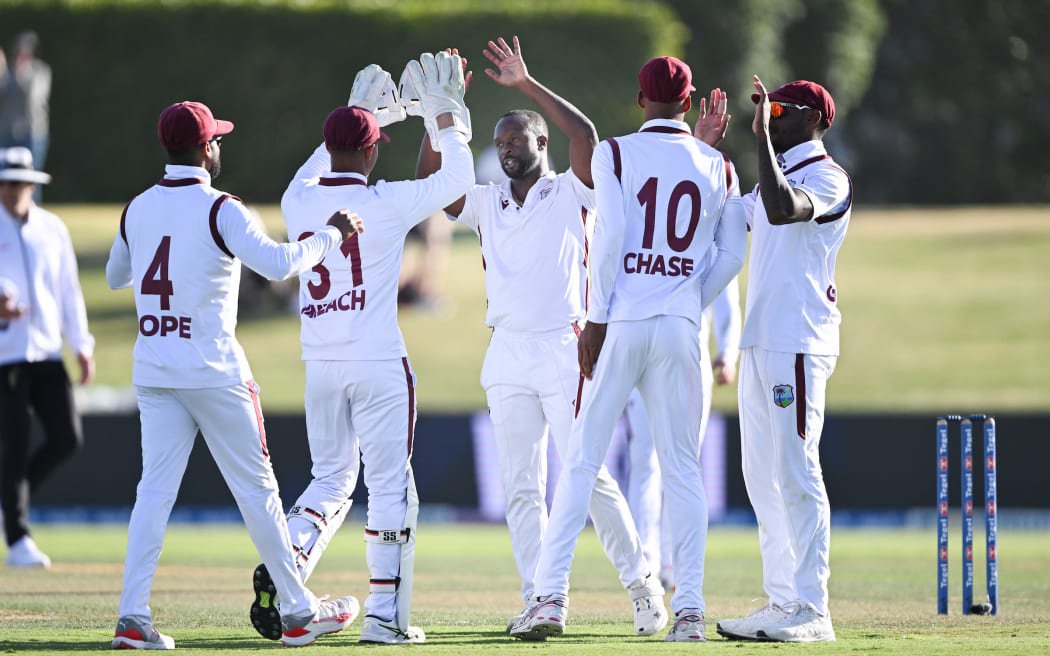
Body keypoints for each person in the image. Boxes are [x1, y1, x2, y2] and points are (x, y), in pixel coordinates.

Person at [418, 36, 671, 638]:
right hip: (505, 350)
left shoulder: (573, 191)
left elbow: (585, 133)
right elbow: (430, 186)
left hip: (565, 347)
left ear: (540, 143)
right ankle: (541, 600)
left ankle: (642, 586)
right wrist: (437, 116)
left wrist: (525, 84)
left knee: (590, 477)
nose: (506, 149)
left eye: (516, 140)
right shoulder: (486, 200)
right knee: (521, 488)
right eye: (499, 142)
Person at [105, 100, 361, 650]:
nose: (219, 145)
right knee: (258, 491)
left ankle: (132, 616)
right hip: (213, 370)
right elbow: (277, 266)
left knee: (153, 494)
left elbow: (114, 276)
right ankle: (297, 613)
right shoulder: (223, 207)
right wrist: (332, 235)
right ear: (204, 149)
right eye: (215, 139)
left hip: (154, 366)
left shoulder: (139, 206)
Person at [513, 56, 746, 643]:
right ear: (689, 105)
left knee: (582, 464)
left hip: (622, 319)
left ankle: (547, 599)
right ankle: (689, 609)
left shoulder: (615, 152)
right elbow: (733, 255)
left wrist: (596, 318)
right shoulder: (718, 163)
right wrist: (690, 296)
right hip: (678, 327)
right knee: (683, 471)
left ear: (639, 100)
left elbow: (611, 235)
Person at [252, 52, 474, 645]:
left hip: (319, 362)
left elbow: (323, 156)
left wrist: (355, 115)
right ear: (373, 154)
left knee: (329, 480)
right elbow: (455, 181)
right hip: (378, 361)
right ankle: (382, 619)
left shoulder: (297, 199)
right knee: (391, 486)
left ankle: (288, 568)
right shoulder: (384, 201)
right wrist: (444, 113)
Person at [714, 77, 853, 644]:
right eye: (767, 108)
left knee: (797, 471)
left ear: (813, 119)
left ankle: (813, 610)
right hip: (760, 339)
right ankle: (782, 600)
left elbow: (780, 210)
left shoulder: (826, 176)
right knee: (761, 477)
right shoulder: (774, 171)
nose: (768, 115)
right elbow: (732, 217)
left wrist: (760, 144)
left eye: (778, 108)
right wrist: (703, 152)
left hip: (798, 339)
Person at [0, 146, 92, 569]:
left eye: (20, 182)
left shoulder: (52, 228)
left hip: (46, 351)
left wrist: (82, 344)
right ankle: (17, 536)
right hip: (5, 356)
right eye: (6, 182)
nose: (13, 190)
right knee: (13, 447)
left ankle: (8, 506)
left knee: (66, 437)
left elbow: (68, 289)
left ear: (32, 185)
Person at [619, 279, 741, 586]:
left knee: (683, 463)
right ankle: (645, 557)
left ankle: (674, 559)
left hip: (691, 362)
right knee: (645, 458)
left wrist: (728, 352)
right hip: (643, 356)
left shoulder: (712, 236)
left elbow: (728, 297)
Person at [0, 32, 51, 202]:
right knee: (5, 177)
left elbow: (33, 97)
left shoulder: (40, 71)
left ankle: (33, 213)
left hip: (32, 133)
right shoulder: (8, 72)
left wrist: (21, 73)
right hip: (8, 132)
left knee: (30, 179)